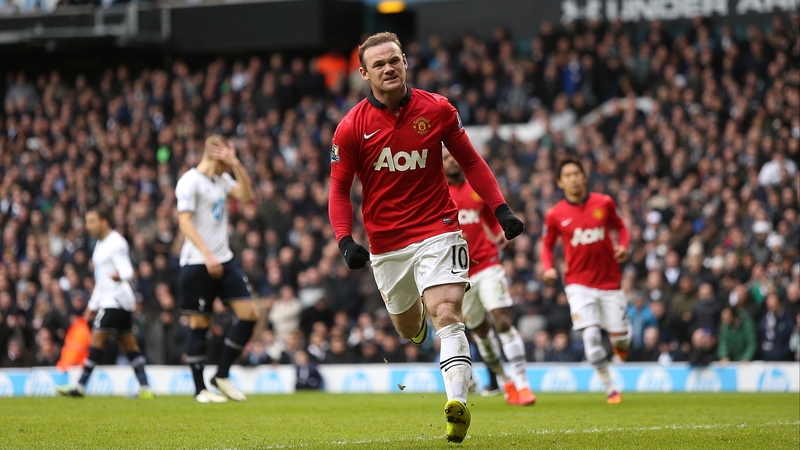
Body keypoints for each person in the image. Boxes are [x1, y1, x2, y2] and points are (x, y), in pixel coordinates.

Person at [328, 32, 523, 443]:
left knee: (448, 312)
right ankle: (417, 324)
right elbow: (339, 190)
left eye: (394, 60)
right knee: (407, 328)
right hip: (387, 245)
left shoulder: (437, 109)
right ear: (364, 73)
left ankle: (457, 405)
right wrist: (345, 240)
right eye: (379, 64)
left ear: (405, 63)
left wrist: (501, 209)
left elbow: (471, 161)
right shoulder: (350, 128)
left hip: (439, 228)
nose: (389, 68)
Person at [443, 147, 535, 406]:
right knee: (481, 332)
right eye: (446, 158)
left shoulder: (476, 186)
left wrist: (500, 233)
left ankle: (523, 384)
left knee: (502, 319)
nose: (452, 161)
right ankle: (506, 381)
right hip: (460, 273)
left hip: (488, 263)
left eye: (453, 156)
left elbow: (490, 218)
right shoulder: (437, 193)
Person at [541, 156, 631, 405]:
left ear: (584, 177)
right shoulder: (555, 214)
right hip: (578, 284)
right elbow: (547, 245)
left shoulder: (604, 202)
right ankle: (611, 388)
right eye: (567, 175)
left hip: (610, 283)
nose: (573, 179)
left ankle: (620, 343)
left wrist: (624, 246)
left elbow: (621, 227)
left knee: (621, 340)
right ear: (560, 182)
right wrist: (548, 268)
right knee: (590, 336)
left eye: (576, 174)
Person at [176, 135, 258, 403]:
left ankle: (221, 375)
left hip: (224, 258)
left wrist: (236, 164)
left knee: (249, 315)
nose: (231, 161)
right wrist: (207, 253)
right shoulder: (190, 181)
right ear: (215, 154)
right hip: (198, 261)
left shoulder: (221, 180)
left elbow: (247, 195)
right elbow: (184, 222)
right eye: (228, 155)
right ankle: (200, 389)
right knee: (200, 324)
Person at [56, 208, 153, 399]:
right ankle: (146, 388)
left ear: (105, 221)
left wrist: (120, 276)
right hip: (114, 301)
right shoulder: (100, 244)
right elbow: (101, 281)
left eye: (92, 221)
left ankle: (79, 385)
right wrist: (92, 305)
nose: (88, 226)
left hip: (115, 301)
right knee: (129, 346)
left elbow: (128, 270)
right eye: (87, 221)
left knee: (97, 339)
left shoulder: (115, 242)